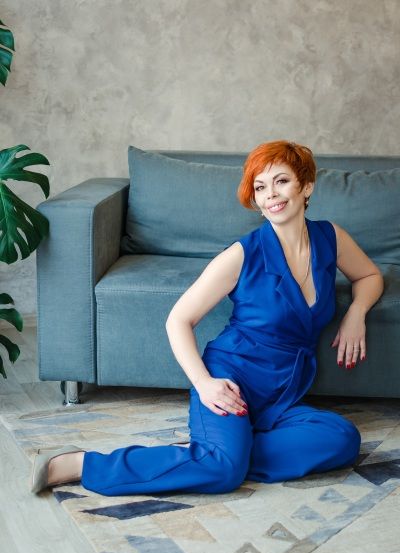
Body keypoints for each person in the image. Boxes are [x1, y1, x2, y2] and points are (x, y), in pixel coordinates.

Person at [30, 140, 384, 496]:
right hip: (231, 379)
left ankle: (215, 453)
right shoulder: (242, 254)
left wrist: (356, 312)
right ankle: (79, 463)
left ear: (306, 186)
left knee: (342, 438)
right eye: (260, 187)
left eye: (281, 181)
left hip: (284, 393)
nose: (271, 195)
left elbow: (369, 276)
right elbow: (178, 320)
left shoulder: (329, 237)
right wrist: (204, 383)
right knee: (224, 472)